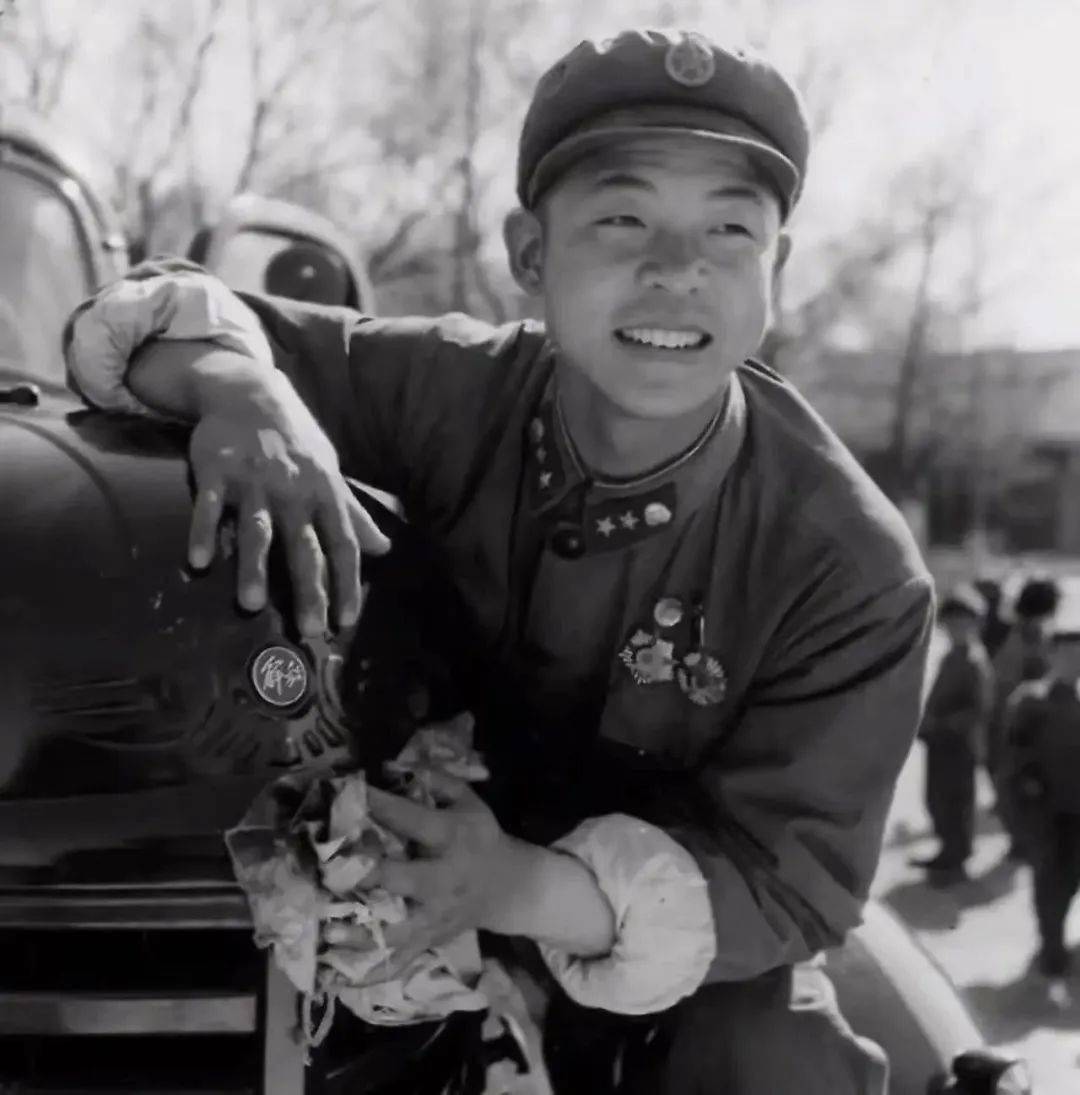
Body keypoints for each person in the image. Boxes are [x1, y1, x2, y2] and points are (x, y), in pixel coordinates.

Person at [63, 29, 934, 1094]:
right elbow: (162, 319)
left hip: (648, 942)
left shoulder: (849, 570)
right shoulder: (451, 387)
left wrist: (515, 887)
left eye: (729, 230)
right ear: (531, 255)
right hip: (373, 856)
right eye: (621, 219)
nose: (677, 272)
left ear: (777, 271)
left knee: (772, 1064)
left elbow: (790, 883)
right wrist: (243, 395)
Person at [1001, 629, 1080, 997]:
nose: (1073, 661)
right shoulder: (1030, 701)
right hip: (1049, 816)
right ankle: (1052, 949)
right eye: (1066, 654)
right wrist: (1022, 814)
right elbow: (1012, 760)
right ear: (1051, 656)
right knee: (1051, 886)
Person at [909, 585, 993, 884]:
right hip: (939, 743)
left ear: (976, 624)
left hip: (959, 744)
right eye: (951, 623)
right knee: (936, 798)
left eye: (963, 623)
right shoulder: (950, 657)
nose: (956, 629)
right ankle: (947, 848)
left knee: (957, 801)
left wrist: (944, 724)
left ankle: (957, 857)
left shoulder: (974, 660)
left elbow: (978, 708)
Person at [989, 575, 1061, 860]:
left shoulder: (1015, 633)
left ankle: (1025, 840)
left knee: (1016, 783)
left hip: (1011, 719)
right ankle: (1024, 839)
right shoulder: (1031, 636)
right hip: (1017, 720)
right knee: (1017, 783)